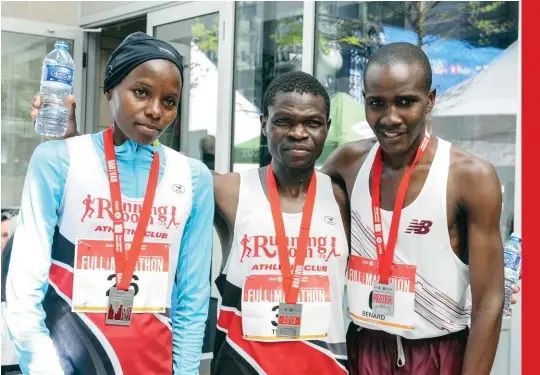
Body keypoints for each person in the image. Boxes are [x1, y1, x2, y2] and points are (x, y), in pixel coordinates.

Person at [5, 31, 213, 375]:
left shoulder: (193, 178)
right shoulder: (57, 159)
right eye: (141, 92)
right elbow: (25, 285)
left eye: (169, 101)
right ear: (109, 91)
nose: (155, 111)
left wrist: (186, 372)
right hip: (67, 363)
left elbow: (192, 297)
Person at [321, 42, 505, 375]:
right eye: (377, 103)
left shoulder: (469, 176)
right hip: (364, 345)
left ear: (430, 100)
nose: (390, 118)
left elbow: (490, 300)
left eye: (405, 102)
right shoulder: (347, 164)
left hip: (438, 352)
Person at [211, 71, 350, 374]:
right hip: (242, 365)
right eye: (284, 121)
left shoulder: (341, 199)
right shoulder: (229, 191)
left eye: (312, 123)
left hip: (325, 366)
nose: (298, 133)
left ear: (327, 128)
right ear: (264, 123)